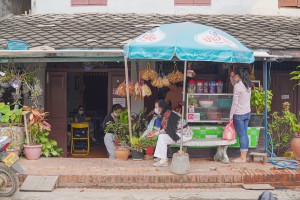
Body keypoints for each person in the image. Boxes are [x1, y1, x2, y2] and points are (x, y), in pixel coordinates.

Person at [147, 100, 193, 167]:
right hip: (179, 133)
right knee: (161, 136)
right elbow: (167, 128)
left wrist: (155, 133)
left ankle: (163, 161)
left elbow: (167, 130)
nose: (155, 109)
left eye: (156, 107)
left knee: (162, 138)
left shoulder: (167, 115)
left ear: (161, 107)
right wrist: (155, 132)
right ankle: (161, 157)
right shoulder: (168, 112)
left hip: (185, 135)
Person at [229, 68, 252, 163]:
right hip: (247, 113)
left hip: (238, 114)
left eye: (235, 76)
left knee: (242, 135)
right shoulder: (248, 85)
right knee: (244, 134)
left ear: (238, 76)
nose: (234, 77)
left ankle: (242, 158)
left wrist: (230, 116)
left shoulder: (238, 87)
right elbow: (234, 83)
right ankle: (244, 156)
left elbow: (234, 103)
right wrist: (231, 76)